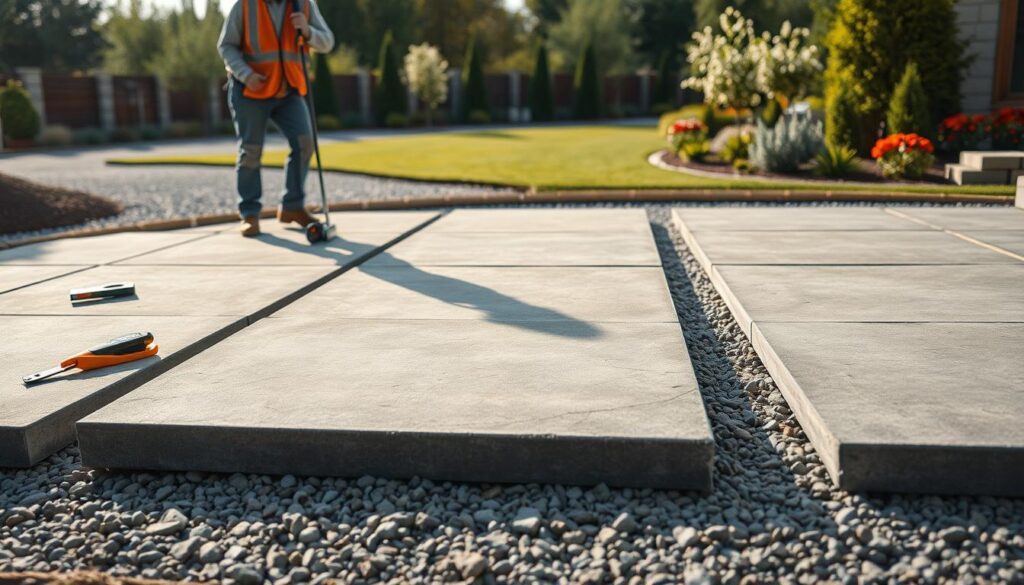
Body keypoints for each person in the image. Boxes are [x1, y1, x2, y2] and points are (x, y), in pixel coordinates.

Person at [218, 0, 335, 237]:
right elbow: (226, 46)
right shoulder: (245, 6)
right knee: (250, 151)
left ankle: (292, 207)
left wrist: (308, 31)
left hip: (288, 90)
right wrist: (245, 74)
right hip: (250, 89)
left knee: (305, 142)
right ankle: (250, 214)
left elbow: (328, 42)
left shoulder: (304, 5)